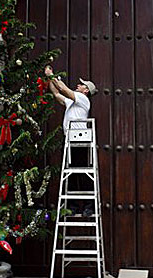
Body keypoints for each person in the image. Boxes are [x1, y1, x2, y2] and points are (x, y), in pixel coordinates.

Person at [44, 65, 97, 216]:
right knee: (72, 174)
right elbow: (56, 93)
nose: (79, 85)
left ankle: (89, 206)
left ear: (86, 90)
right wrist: (49, 79)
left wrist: (51, 75)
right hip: (69, 141)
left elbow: (64, 90)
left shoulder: (82, 98)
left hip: (80, 142)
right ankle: (72, 206)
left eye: (82, 85)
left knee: (83, 173)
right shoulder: (73, 102)